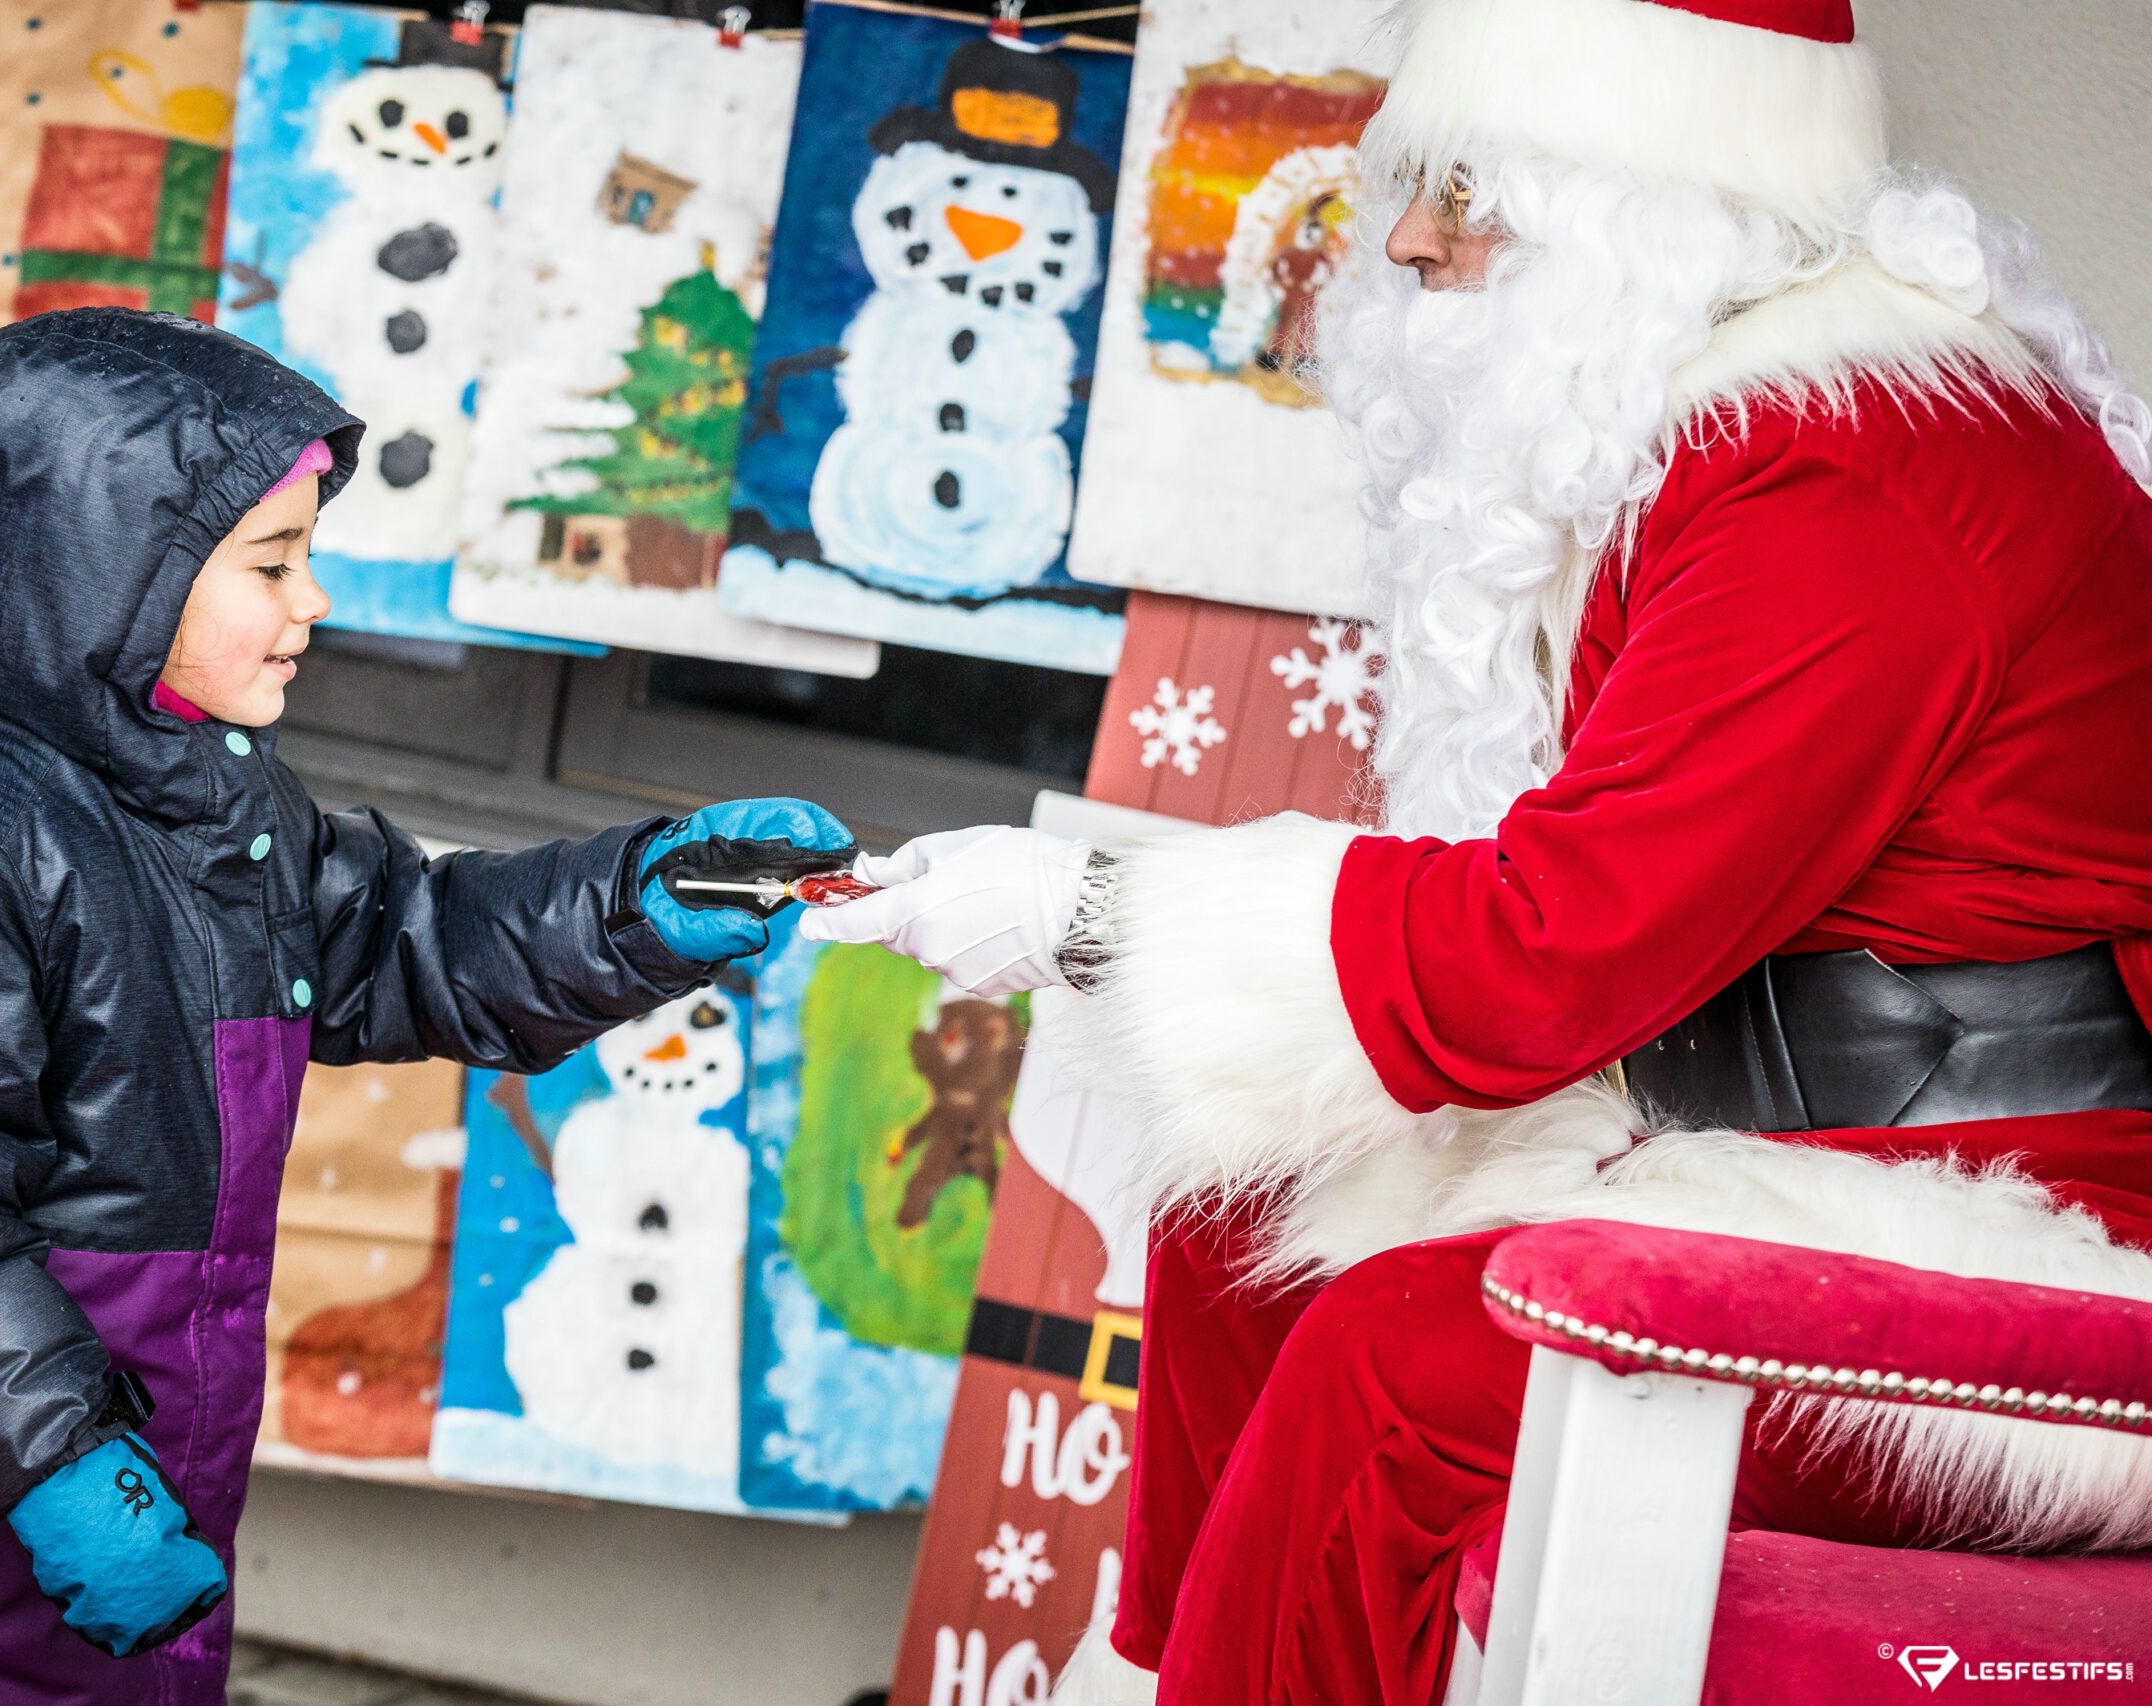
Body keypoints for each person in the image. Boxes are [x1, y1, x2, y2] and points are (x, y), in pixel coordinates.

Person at [808, 0, 2152, 1700]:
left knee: (1407, 1368)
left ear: (1639, 192)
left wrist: (1089, 911)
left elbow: (1560, 940)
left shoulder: (1850, 464)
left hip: (2024, 1233)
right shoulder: (1725, 431)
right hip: (1766, 1132)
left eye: (1469, 186)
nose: (1415, 240)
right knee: (1239, 1230)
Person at [0, 307, 851, 1705]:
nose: (314, 601)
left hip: (139, 1459)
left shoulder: (220, 802)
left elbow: (404, 939)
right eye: (273, 562)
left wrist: (631, 900)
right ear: (104, 573)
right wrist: (62, 1464)